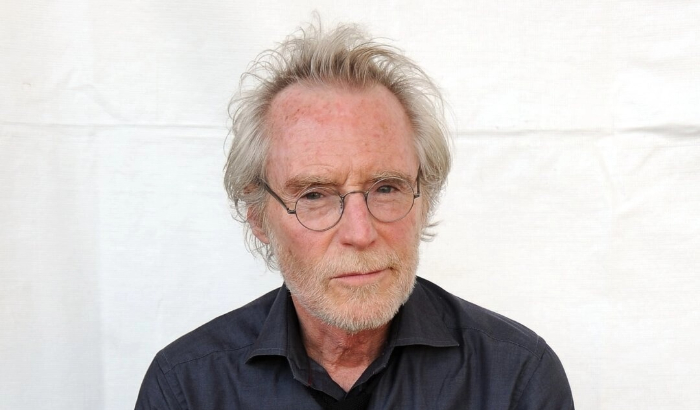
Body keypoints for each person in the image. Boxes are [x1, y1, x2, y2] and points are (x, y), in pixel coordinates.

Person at [135, 21, 574, 410]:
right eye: (315, 195)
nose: (361, 232)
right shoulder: (187, 389)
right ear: (257, 216)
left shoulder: (517, 378)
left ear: (424, 199)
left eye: (386, 188)